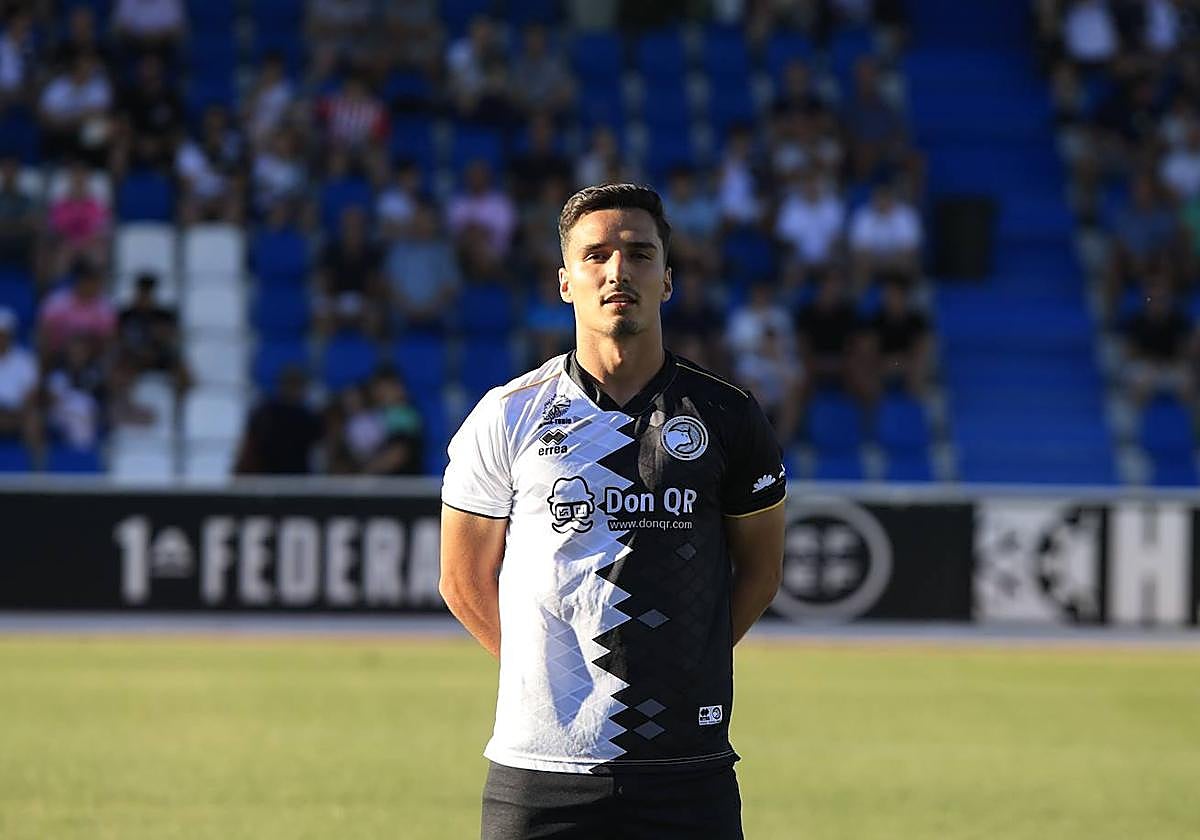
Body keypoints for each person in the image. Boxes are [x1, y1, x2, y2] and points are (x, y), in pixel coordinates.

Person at [440, 183, 786, 839]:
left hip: (689, 772)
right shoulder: (507, 414)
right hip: (538, 776)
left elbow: (760, 575)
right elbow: (461, 580)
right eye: (595, 255)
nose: (617, 270)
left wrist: (682, 662)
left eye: (639, 253)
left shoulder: (729, 418)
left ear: (668, 280)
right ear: (566, 281)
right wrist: (543, 677)